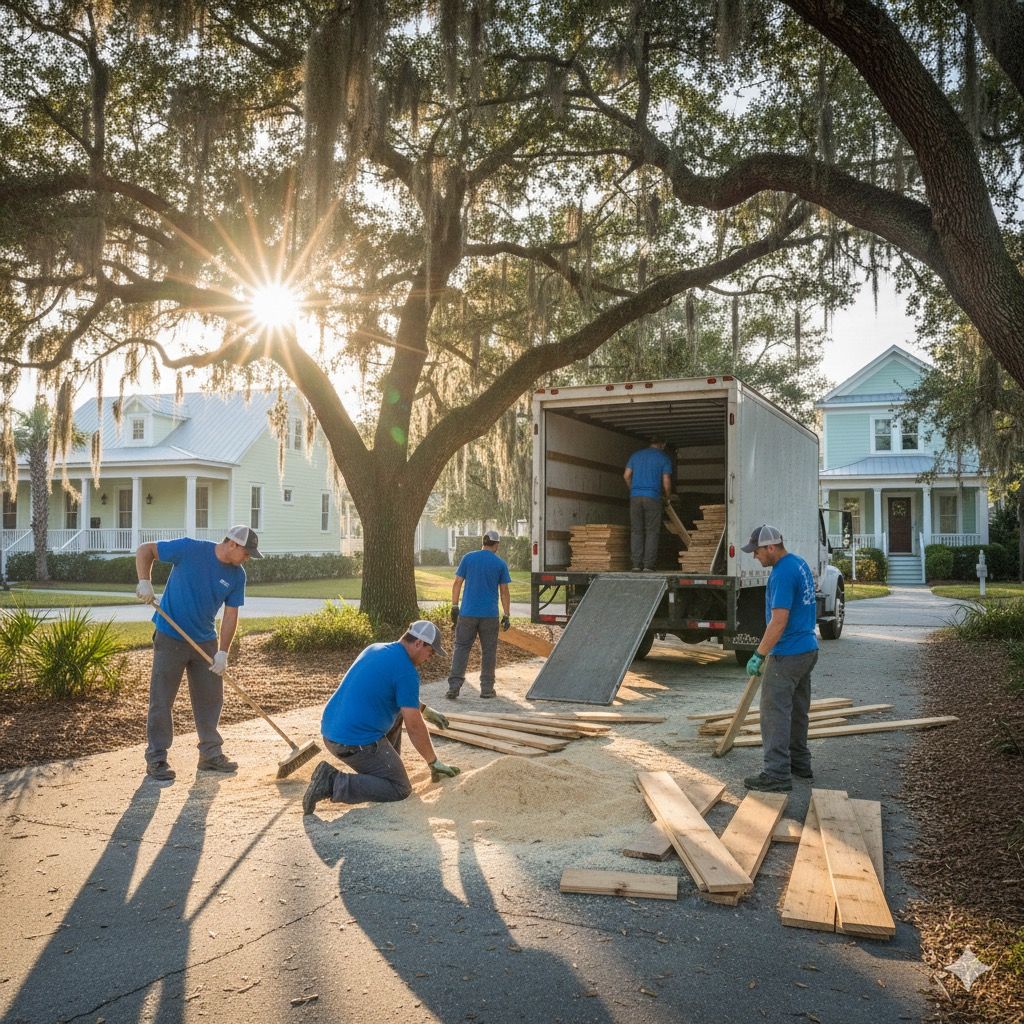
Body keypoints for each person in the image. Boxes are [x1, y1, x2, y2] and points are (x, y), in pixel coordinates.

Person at [135, 524, 262, 782]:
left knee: (210, 698)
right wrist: (145, 582)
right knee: (162, 699)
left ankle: (210, 755)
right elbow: (145, 550)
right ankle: (157, 758)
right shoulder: (190, 549)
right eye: (247, 553)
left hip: (205, 640)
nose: (248, 558)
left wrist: (223, 653)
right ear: (232, 544)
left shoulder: (238, 576)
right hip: (171, 635)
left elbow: (230, 615)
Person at [302, 620, 460, 814]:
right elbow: (414, 726)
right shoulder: (407, 672)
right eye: (431, 651)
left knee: (401, 712)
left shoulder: (376, 648)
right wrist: (433, 762)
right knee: (400, 788)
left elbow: (390, 692)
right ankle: (333, 782)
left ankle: (385, 766)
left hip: (331, 732)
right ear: (419, 643)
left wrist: (424, 709)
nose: (430, 657)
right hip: (352, 743)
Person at [740, 524, 819, 793]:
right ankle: (800, 763)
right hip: (808, 648)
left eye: (757, 551)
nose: (755, 557)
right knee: (797, 711)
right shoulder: (799, 564)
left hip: (788, 654)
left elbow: (779, 620)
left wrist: (759, 654)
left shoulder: (782, 573)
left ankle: (776, 774)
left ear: (771, 547)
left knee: (774, 714)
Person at [446, 529, 512, 699]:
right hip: (489, 615)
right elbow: (504, 591)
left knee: (461, 648)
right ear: (496, 545)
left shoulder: (468, 558)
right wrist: (507, 614)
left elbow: (457, 583)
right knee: (489, 651)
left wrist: (454, 606)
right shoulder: (499, 564)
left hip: (467, 613)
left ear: (483, 542)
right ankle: (487, 690)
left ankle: (454, 687)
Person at [623, 437, 673, 572]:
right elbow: (666, 480)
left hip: (635, 497)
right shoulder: (664, 458)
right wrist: (667, 497)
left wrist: (633, 489)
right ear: (663, 444)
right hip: (653, 497)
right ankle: (648, 565)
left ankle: (635, 565)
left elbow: (626, 476)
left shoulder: (636, 455)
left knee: (636, 531)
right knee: (652, 531)